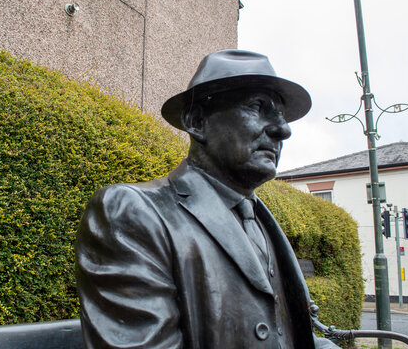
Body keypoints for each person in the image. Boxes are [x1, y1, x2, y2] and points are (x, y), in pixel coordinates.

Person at [76, 50, 339, 348]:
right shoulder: (131, 212)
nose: (283, 129)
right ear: (198, 121)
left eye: (281, 114)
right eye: (258, 106)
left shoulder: (260, 220)